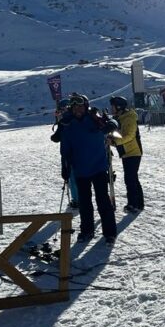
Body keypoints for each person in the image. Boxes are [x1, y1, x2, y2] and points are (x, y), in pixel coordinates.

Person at [58, 93, 118, 244]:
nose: (78, 109)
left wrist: (111, 124)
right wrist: (65, 167)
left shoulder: (94, 118)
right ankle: (87, 231)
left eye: (81, 106)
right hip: (80, 170)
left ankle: (109, 232)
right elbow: (65, 149)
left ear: (86, 106)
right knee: (84, 204)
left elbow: (112, 121)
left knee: (103, 201)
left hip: (98, 167)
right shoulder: (67, 124)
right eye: (75, 107)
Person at [110, 96, 145, 214]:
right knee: (132, 178)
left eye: (113, 106)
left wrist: (115, 141)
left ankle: (133, 204)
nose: (112, 108)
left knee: (130, 179)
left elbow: (130, 136)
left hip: (133, 152)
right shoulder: (119, 118)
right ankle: (138, 203)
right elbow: (119, 134)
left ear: (118, 107)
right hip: (127, 152)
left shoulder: (129, 118)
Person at [50, 99, 78, 208]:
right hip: (78, 152)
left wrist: (59, 121)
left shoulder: (66, 120)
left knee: (71, 176)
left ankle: (76, 199)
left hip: (68, 152)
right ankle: (80, 198)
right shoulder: (76, 117)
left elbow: (56, 137)